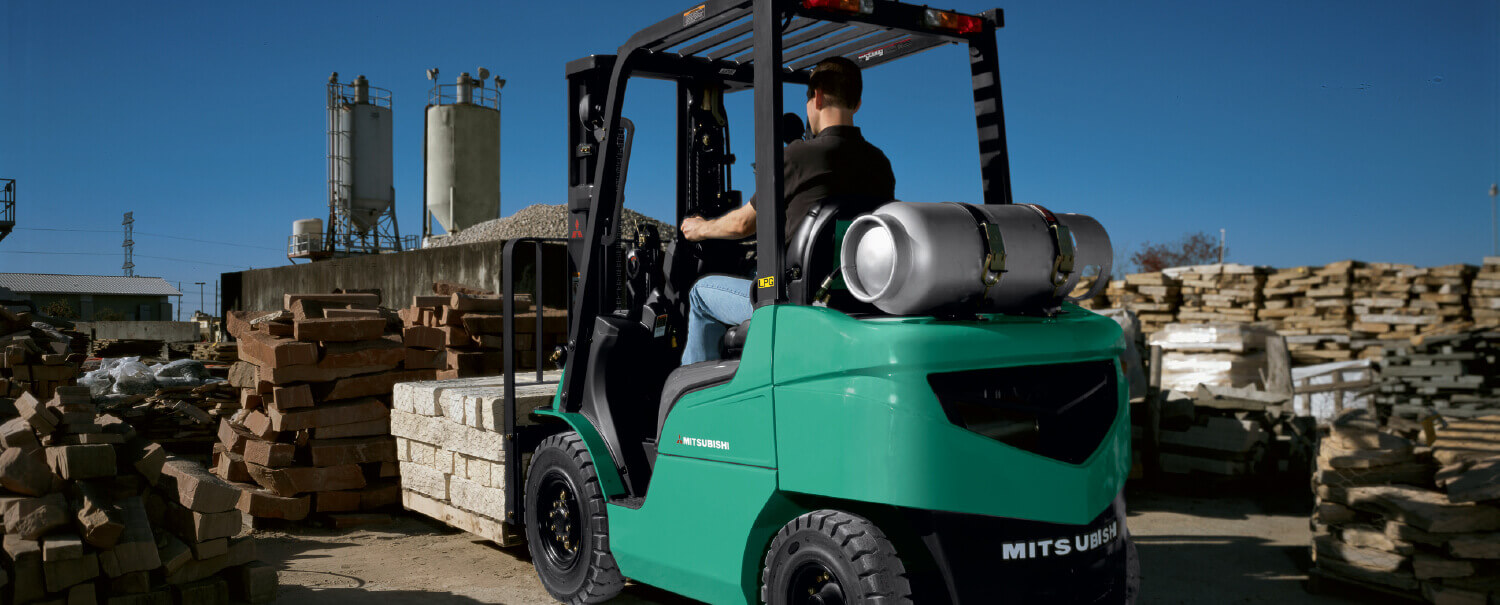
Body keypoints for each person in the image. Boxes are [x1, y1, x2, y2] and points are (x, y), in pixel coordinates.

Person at [678, 56, 895, 365]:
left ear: (816, 97)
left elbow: (743, 225)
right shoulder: (879, 164)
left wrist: (699, 228)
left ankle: (693, 398)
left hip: (795, 300)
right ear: (857, 103)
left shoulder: (797, 156)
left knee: (700, 294)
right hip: (856, 294)